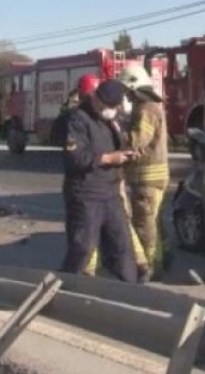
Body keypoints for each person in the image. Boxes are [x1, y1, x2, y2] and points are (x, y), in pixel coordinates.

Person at [59, 79, 138, 283]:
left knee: (122, 248)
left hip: (111, 192)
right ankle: (65, 286)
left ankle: (131, 293)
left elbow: (118, 148)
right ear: (95, 97)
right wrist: (107, 158)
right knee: (83, 248)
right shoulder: (77, 119)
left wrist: (126, 155)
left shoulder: (112, 121)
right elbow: (75, 158)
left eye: (114, 107)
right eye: (106, 106)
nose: (109, 110)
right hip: (86, 193)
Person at [118, 66, 172, 280]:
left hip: (147, 178)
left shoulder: (146, 109)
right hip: (151, 177)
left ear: (134, 86)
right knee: (154, 221)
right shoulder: (151, 106)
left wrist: (115, 134)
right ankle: (159, 262)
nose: (126, 95)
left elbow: (138, 139)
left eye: (127, 90)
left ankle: (147, 267)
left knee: (144, 224)